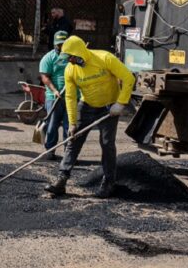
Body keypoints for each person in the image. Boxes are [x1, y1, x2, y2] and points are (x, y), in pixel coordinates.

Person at [44, 35, 135, 198]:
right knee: (73, 140)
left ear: (80, 52)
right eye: (67, 58)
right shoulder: (70, 70)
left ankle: (109, 182)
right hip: (86, 106)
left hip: (109, 106)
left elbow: (128, 78)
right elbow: (71, 98)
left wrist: (121, 103)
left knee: (107, 143)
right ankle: (62, 180)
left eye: (71, 57)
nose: (69, 61)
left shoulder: (105, 58)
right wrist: (72, 123)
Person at [39, 30, 70, 160]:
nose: (61, 46)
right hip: (53, 97)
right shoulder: (48, 58)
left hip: (71, 97)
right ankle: (50, 150)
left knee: (70, 126)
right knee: (52, 124)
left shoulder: (72, 57)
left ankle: (69, 153)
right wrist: (54, 90)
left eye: (63, 43)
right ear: (54, 44)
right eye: (59, 44)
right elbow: (45, 77)